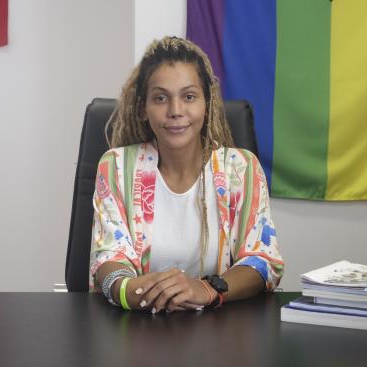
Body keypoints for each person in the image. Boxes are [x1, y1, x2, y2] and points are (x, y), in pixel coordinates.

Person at [89, 36, 284, 313]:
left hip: (222, 332)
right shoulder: (117, 166)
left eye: (189, 96)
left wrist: (206, 288)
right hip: (138, 331)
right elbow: (108, 258)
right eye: (160, 98)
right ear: (144, 108)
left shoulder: (241, 168)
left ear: (207, 103)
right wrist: (132, 290)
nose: (176, 111)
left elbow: (264, 262)